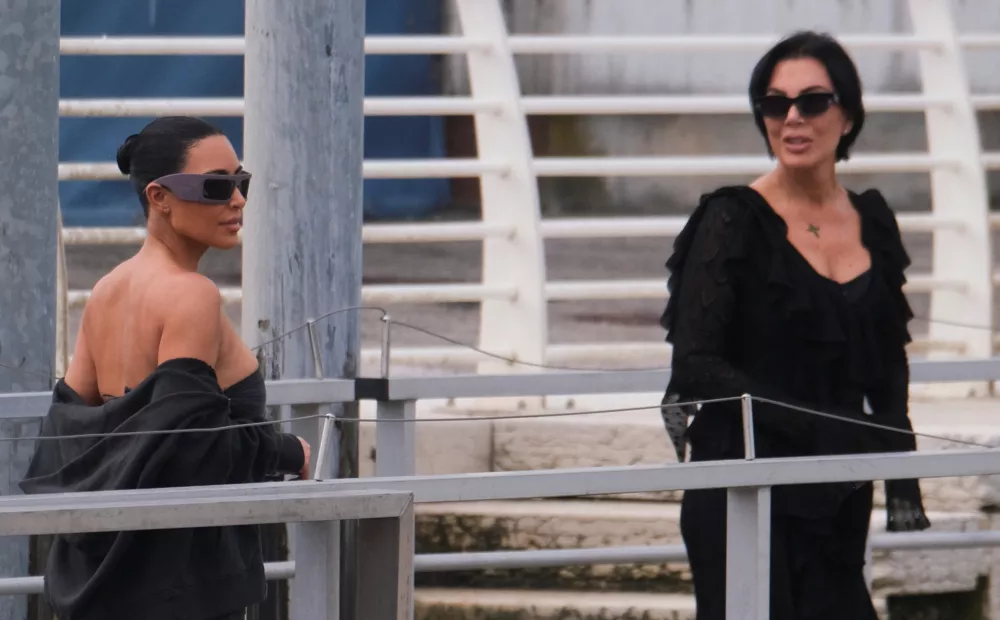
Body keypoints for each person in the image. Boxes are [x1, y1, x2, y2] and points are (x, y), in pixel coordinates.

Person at [658, 31, 931, 619]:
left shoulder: (874, 221)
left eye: (812, 102)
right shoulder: (731, 217)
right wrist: (824, 427)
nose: (792, 119)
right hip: (743, 484)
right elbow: (697, 365)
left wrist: (901, 477)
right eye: (775, 104)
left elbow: (888, 367)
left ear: (848, 114)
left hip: (837, 489)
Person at [21, 116, 311, 620]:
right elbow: (190, 442)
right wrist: (289, 450)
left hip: (98, 577)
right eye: (217, 186)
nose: (237, 201)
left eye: (241, 182)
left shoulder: (108, 290)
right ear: (159, 197)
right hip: (181, 581)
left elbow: (68, 431)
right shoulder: (190, 294)